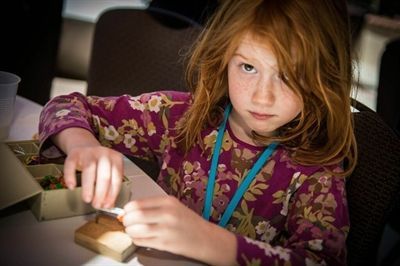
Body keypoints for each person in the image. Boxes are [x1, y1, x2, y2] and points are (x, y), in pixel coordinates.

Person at [38, 0, 357, 265]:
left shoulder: (318, 168)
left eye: (289, 76)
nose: (262, 96)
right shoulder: (179, 116)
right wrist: (82, 144)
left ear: (324, 78)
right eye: (248, 67)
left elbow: (321, 261)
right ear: (224, 59)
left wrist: (208, 241)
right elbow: (65, 105)